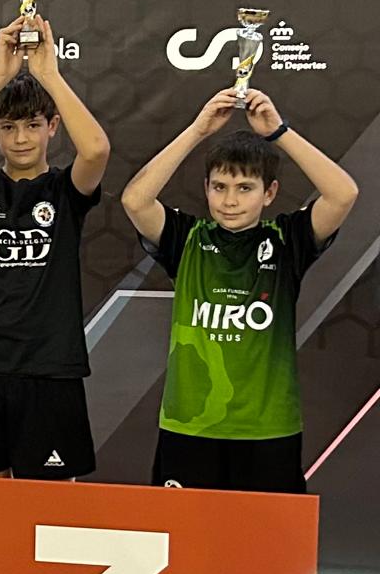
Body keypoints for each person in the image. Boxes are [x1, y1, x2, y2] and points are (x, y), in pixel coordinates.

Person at [120, 88, 357, 492]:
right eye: (219, 187)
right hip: (189, 427)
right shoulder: (187, 239)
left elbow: (344, 193)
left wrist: (278, 132)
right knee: (189, 549)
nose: (230, 201)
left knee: (265, 552)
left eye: (245, 188)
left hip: (267, 431)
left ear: (270, 193)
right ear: (207, 188)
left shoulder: (288, 242)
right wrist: (197, 131)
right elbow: (135, 200)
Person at [0, 16, 111, 480]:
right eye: (9, 127)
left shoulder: (66, 190)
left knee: (48, 510)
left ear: (52, 127)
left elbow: (97, 152)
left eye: (32, 125)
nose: (22, 137)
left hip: (50, 369)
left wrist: (48, 73)